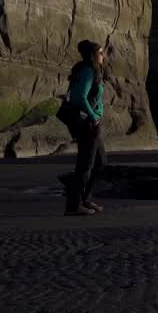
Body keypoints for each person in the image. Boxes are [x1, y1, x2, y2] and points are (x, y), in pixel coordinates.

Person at [64, 39, 107, 216]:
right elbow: (79, 98)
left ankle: (85, 199)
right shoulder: (88, 71)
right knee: (85, 165)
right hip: (88, 124)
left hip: (91, 123)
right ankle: (74, 205)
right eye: (101, 52)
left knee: (100, 162)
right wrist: (93, 116)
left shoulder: (89, 71)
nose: (103, 55)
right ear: (93, 55)